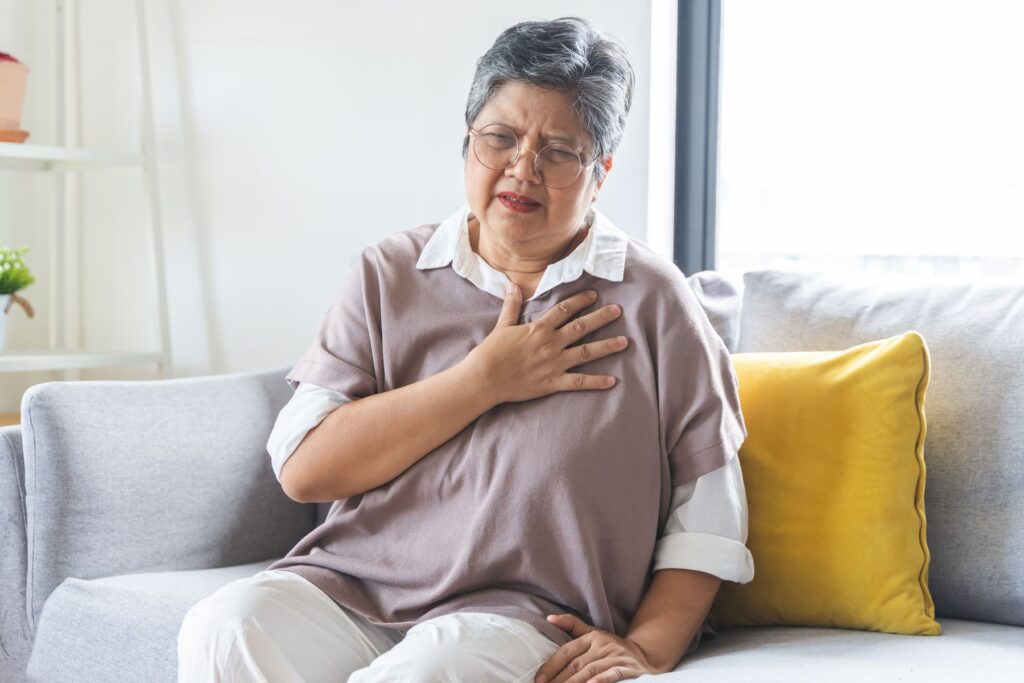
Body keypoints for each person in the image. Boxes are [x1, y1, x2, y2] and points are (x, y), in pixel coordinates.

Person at [177, 16, 753, 682]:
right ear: (467, 143)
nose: (522, 167)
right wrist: (483, 378)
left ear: (601, 173)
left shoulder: (652, 299)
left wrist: (648, 648)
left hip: (524, 614)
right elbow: (305, 467)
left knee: (432, 670)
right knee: (225, 626)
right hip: (352, 586)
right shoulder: (390, 272)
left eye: (559, 149)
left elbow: (709, 514)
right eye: (500, 137)